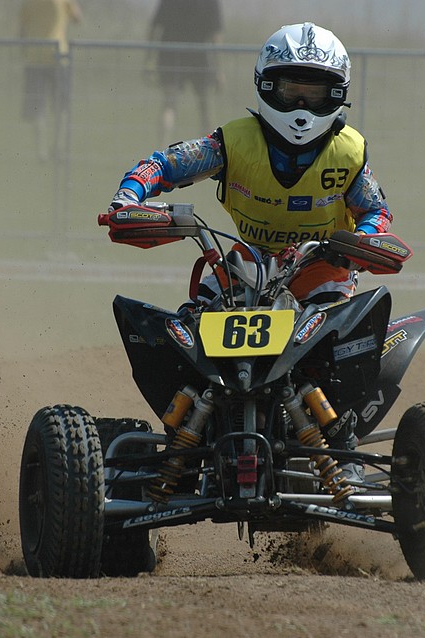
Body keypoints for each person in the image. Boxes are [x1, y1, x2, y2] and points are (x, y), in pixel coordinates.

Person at [106, 23, 394, 482]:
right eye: (291, 90)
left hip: (323, 267)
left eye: (314, 93)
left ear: (337, 94)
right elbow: (164, 164)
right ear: (266, 86)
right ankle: (186, 436)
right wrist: (128, 199)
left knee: (340, 337)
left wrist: (362, 242)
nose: (301, 107)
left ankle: (341, 446)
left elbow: (376, 211)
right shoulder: (233, 141)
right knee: (187, 328)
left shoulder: (349, 154)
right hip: (244, 264)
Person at [148, 0, 224, 147]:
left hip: (171, 55)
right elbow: (216, 36)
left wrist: (149, 59)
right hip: (199, 56)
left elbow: (154, 28)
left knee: (169, 105)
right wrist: (219, 69)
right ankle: (211, 151)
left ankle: (162, 148)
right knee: (205, 107)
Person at [19, 0, 83, 161]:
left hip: (34, 57)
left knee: (37, 107)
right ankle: (58, 149)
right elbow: (77, 18)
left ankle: (41, 152)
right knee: (60, 107)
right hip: (58, 56)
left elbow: (21, 29)